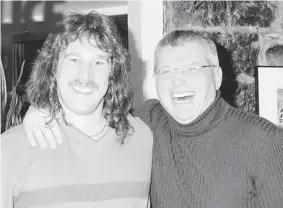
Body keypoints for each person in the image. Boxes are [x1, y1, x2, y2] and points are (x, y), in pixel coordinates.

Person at [23, 30, 283, 208]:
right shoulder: (147, 121)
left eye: (192, 69)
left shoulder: (265, 142)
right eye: (166, 72)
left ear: (216, 77)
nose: (178, 81)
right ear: (156, 80)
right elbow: (88, 112)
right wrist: (43, 107)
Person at [1, 11, 153, 208]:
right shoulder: (10, 149)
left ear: (113, 73)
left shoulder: (142, 138)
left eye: (98, 62)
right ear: (54, 68)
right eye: (74, 60)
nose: (85, 75)